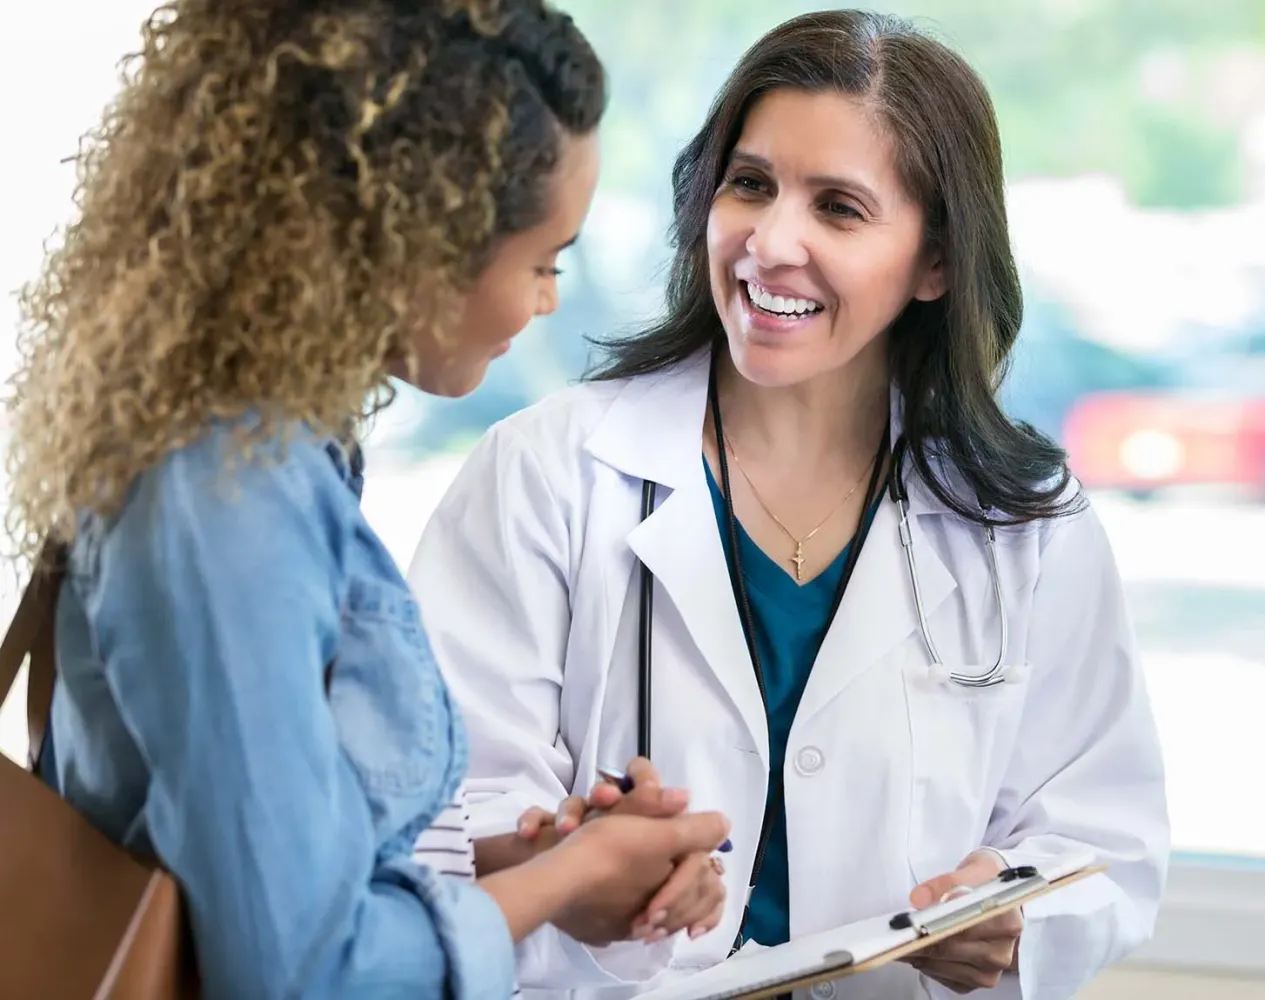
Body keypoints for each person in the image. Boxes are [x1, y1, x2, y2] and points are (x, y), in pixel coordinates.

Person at [409, 8, 1169, 999]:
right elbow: (436, 806)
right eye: (751, 184)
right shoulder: (546, 473)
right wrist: (565, 854)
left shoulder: (1023, 520)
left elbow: (1104, 834)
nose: (771, 242)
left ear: (935, 261)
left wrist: (1011, 912)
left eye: (839, 208)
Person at [3, 1, 731, 997]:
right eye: (541, 262)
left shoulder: (276, 449)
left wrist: (522, 878)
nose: (548, 300)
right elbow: (303, 971)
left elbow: (269, 873)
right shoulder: (225, 498)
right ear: (416, 245)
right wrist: (569, 875)